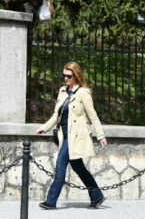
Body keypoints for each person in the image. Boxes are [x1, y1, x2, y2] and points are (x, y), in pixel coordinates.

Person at [36, 62, 107, 210]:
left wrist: (100, 135)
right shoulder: (63, 91)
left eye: (69, 76)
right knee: (78, 167)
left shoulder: (83, 93)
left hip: (75, 136)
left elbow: (93, 116)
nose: (65, 79)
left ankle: (51, 201)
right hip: (64, 135)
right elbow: (57, 114)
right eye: (64, 76)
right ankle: (97, 195)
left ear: (76, 75)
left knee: (60, 165)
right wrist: (44, 127)